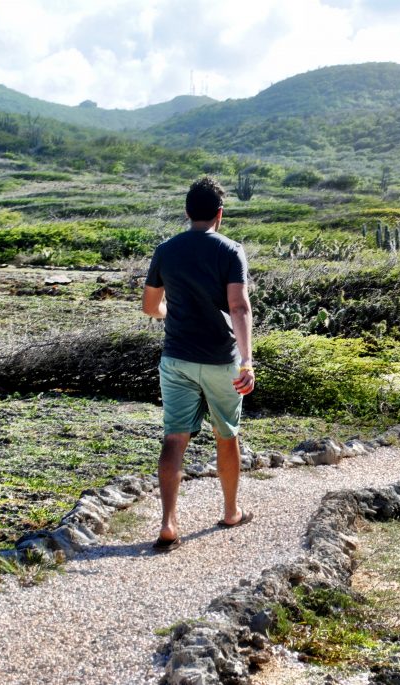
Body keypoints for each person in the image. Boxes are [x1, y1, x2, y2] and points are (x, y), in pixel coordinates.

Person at [141, 176, 255, 552]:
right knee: (227, 434)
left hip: (176, 359)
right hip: (222, 360)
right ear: (219, 214)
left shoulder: (166, 250)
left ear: (188, 212)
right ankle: (230, 511)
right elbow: (238, 307)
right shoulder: (230, 250)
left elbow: (150, 307)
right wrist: (247, 360)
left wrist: (173, 312)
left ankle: (169, 523)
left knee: (174, 437)